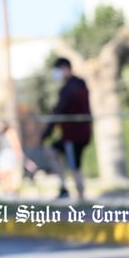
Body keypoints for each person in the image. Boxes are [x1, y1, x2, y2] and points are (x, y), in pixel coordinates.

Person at [40, 57, 92, 201]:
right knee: (52, 151)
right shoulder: (79, 84)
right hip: (76, 133)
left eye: (57, 70)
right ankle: (64, 188)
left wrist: (47, 131)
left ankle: (81, 197)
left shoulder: (71, 87)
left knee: (75, 165)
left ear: (65, 68)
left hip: (73, 135)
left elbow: (60, 111)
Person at [0, 119, 35, 198]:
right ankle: (9, 189)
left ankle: (11, 190)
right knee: (1, 173)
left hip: (8, 154)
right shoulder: (1, 134)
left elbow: (15, 144)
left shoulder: (10, 132)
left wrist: (19, 154)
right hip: (4, 153)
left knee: (7, 172)